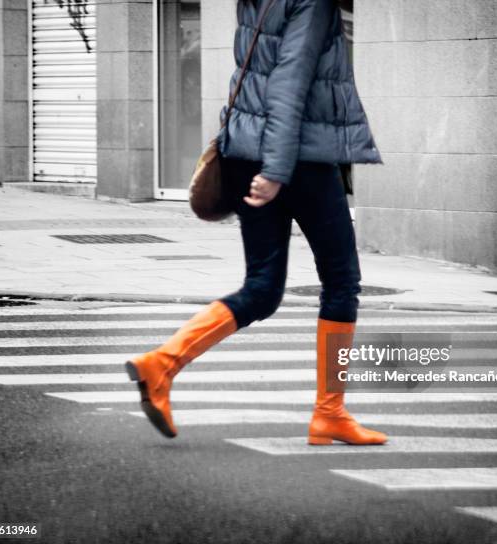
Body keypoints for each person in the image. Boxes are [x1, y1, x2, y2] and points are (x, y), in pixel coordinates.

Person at [125, 0, 387, 446]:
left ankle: (161, 364)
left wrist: (265, 166)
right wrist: (277, 172)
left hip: (247, 154)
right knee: (342, 282)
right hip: (297, 160)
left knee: (262, 289)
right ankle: (330, 413)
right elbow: (288, 84)